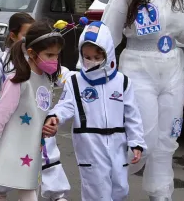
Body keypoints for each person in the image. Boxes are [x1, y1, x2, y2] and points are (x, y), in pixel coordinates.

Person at [100, 0, 184, 199]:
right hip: (138, 67)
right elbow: (108, 34)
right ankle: (106, 187)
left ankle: (161, 194)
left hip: (172, 68)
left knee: (167, 142)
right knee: (142, 142)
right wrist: (96, 76)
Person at [44, 22, 146, 200]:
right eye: (86, 56)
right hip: (89, 143)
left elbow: (132, 115)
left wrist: (136, 142)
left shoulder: (122, 82)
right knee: (96, 189)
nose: (91, 61)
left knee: (120, 188)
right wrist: (55, 116)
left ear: (108, 54)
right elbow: (66, 105)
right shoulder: (75, 82)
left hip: (118, 142)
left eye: (97, 57)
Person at [0, 22, 65, 201]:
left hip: (33, 150)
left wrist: (51, 124)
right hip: (12, 147)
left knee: (17, 187)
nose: (54, 60)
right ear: (32, 53)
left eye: (56, 56)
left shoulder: (46, 79)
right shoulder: (17, 81)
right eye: (49, 55)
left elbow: (41, 114)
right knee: (11, 187)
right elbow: (0, 116)